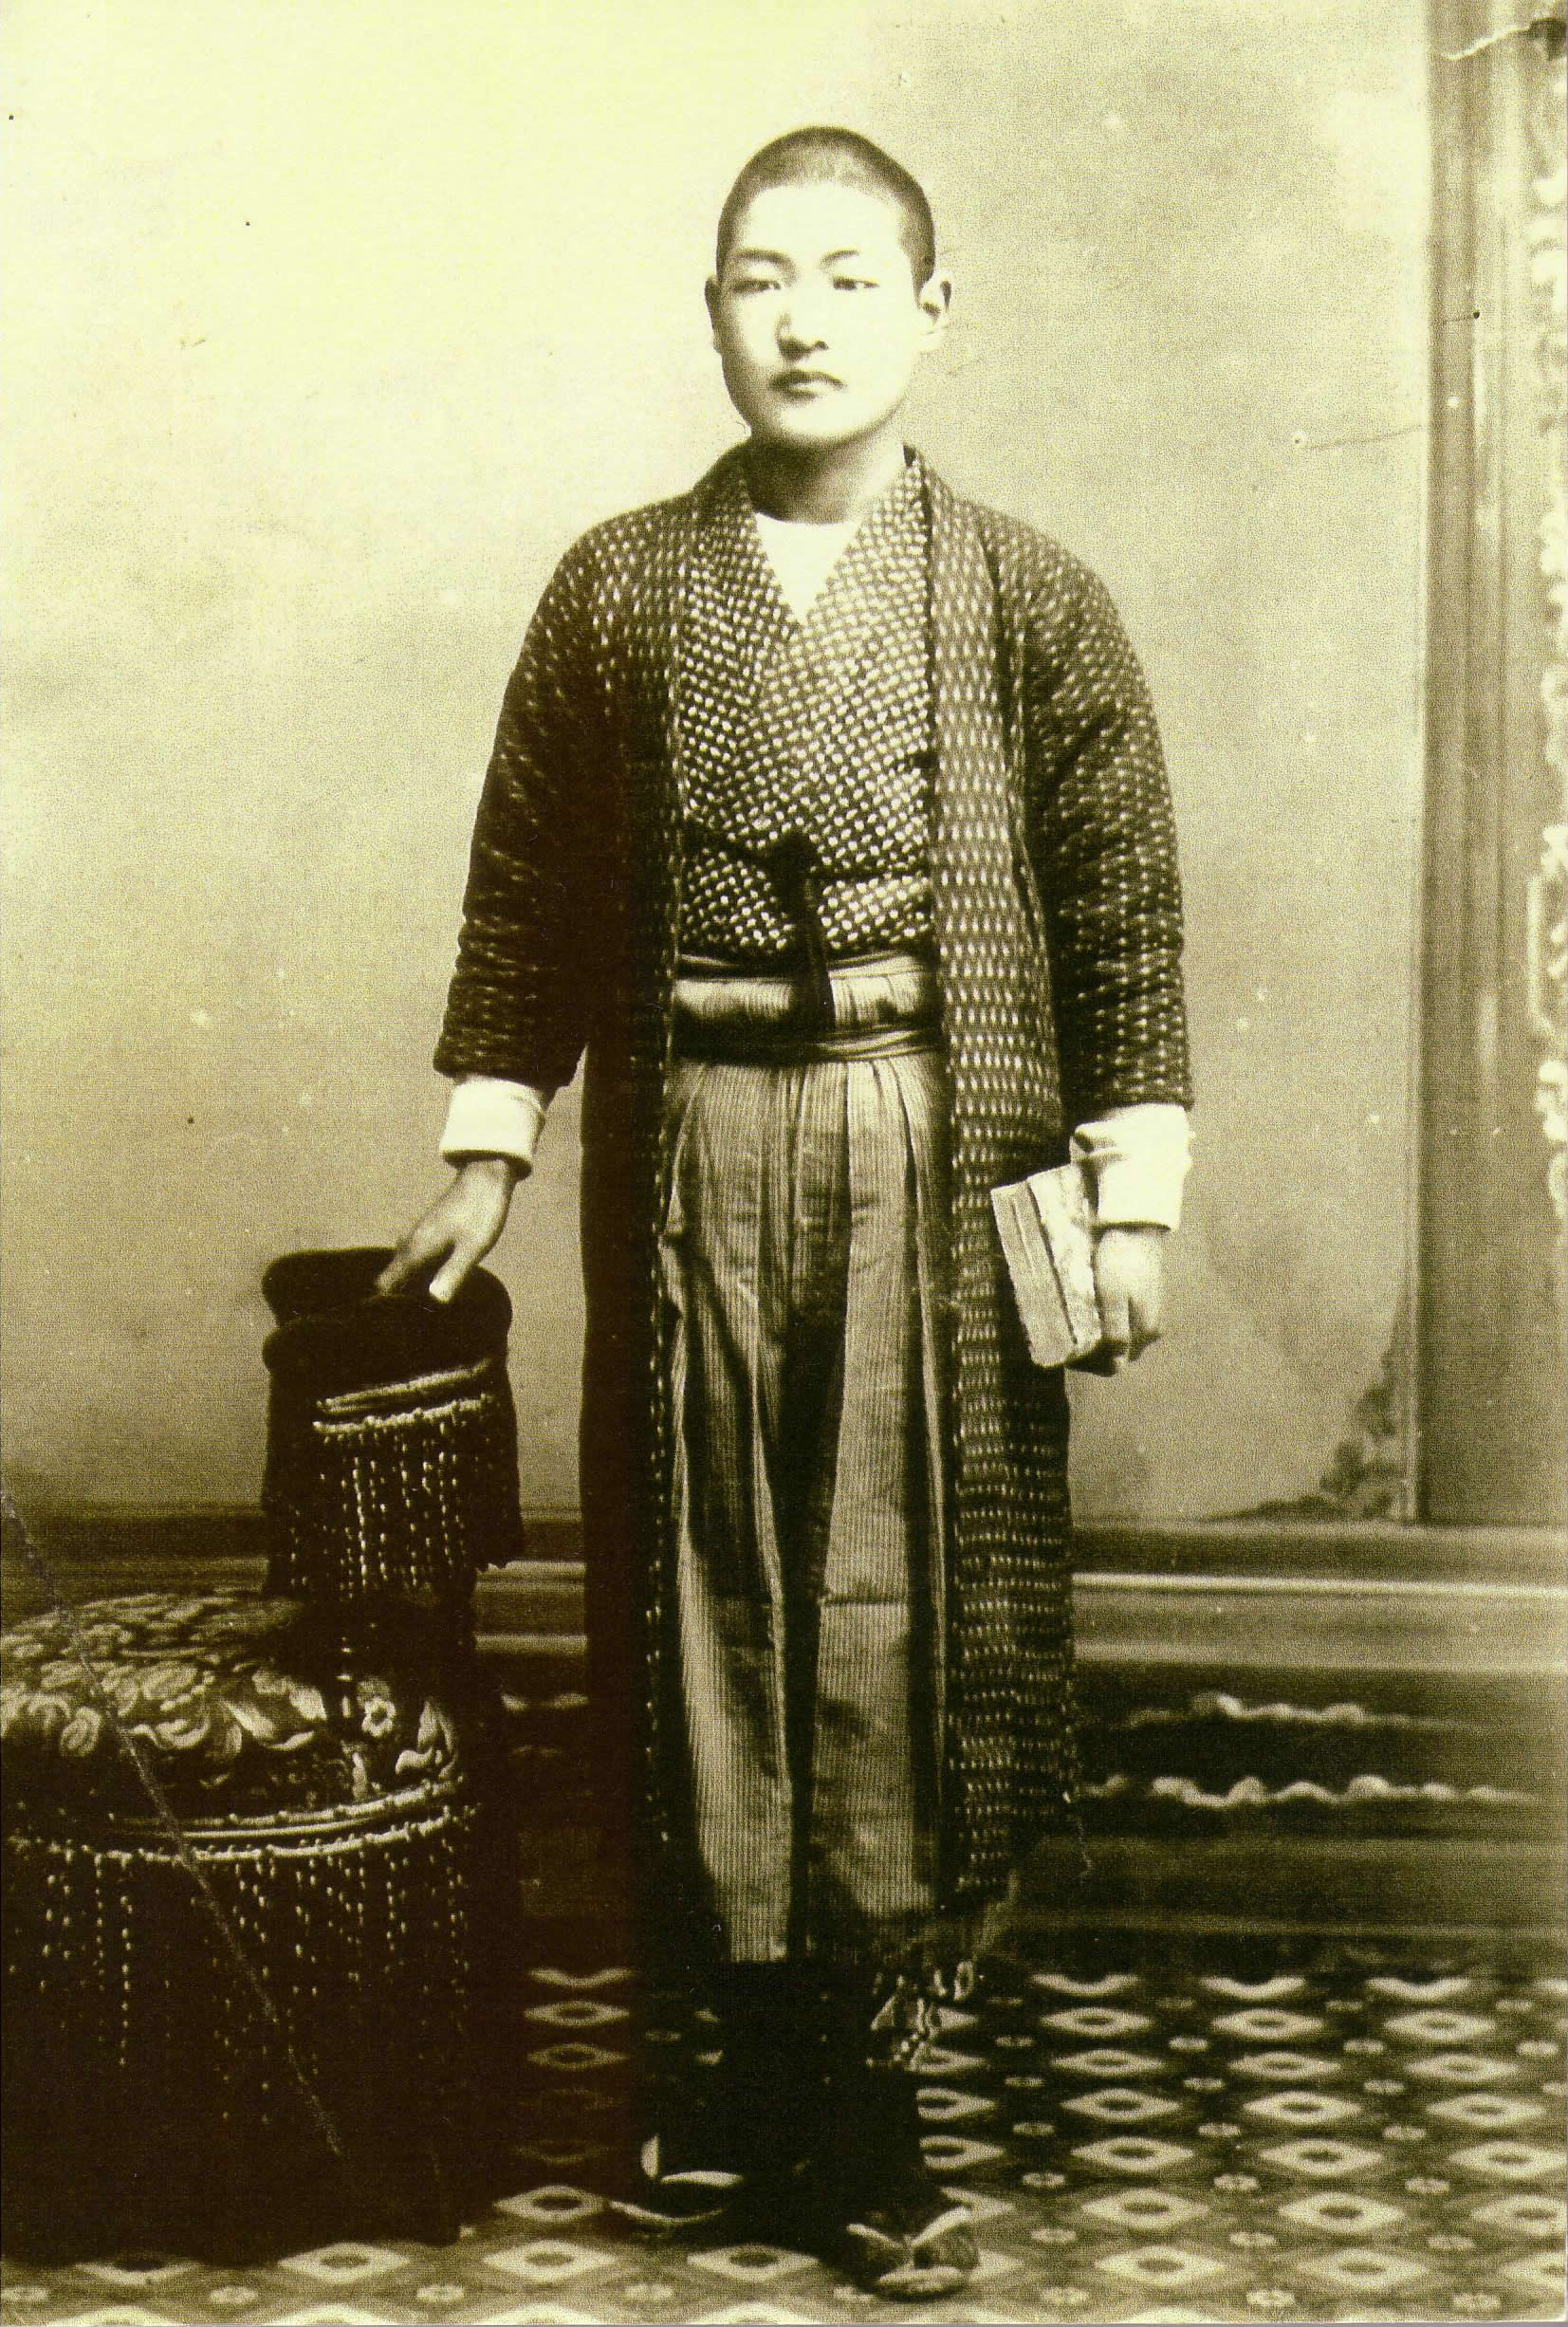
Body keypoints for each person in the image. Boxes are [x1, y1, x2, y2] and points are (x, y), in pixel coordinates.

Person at [381, 126, 1192, 2299]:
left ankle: (859, 2093)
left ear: (931, 309)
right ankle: (726, 2063)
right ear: (711, 312)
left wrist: (1126, 1200)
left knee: (895, 1590)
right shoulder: (618, 587)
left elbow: (1117, 911)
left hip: (933, 1144)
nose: (804, 321)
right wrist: (487, 1145)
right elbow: (530, 880)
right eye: (762, 277)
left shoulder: (1024, 596)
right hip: (695, 1157)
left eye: (849, 277)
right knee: (703, 1579)